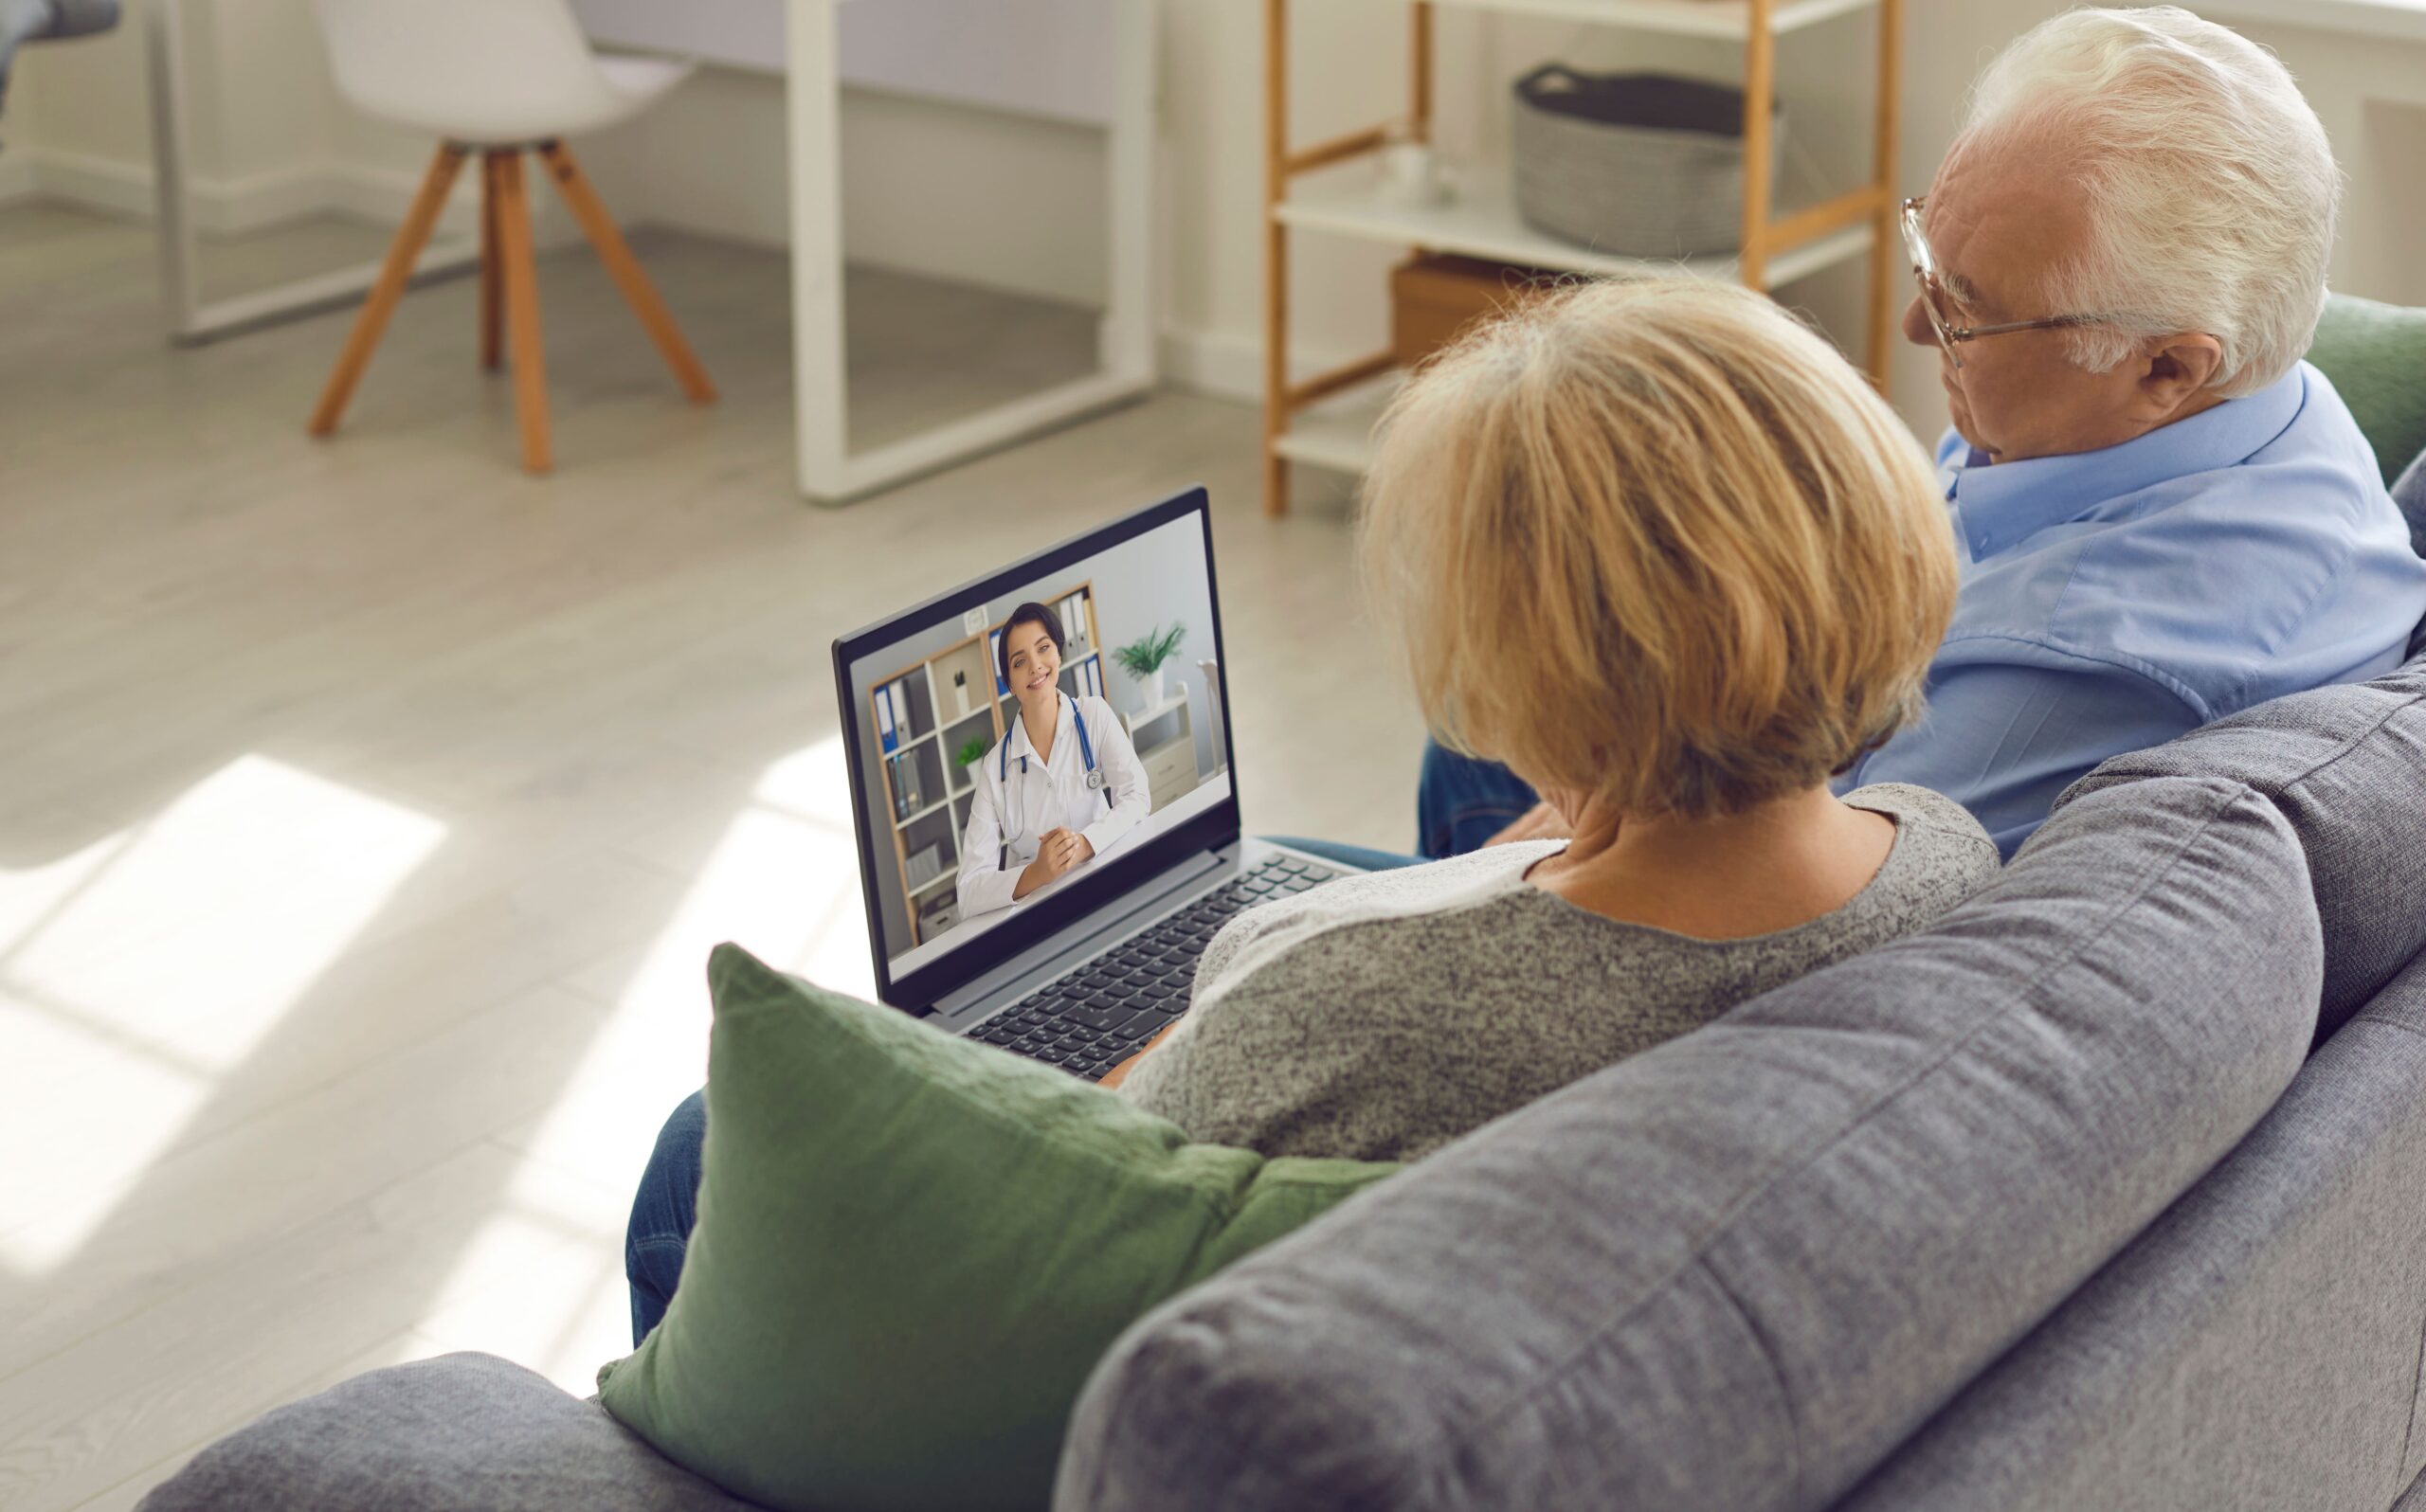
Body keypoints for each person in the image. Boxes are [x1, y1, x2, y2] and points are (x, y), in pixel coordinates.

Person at [625, 277, 2003, 1341]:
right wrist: (1576, 833)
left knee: (704, 1145)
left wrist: (1200, 1016)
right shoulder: (1947, 854)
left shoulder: (1350, 1009)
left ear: (1534, 681)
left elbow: (1104, 1169)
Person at [1418, 5, 2426, 862]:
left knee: (1476, 733)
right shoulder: (2262, 400)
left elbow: (1789, 911)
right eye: (1926, 254)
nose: (1913, 326)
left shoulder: (2062, 669)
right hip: (1854, 722)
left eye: (1965, 310)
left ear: (2166, 366)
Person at [952, 601, 1148, 922]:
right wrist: (1037, 873)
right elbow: (969, 891)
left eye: (1043, 648)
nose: (1035, 666)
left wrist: (1084, 844)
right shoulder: (994, 769)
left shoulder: (1093, 715)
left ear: (1058, 653)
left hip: (1108, 890)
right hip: (1043, 919)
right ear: (1010, 685)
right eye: (1019, 662)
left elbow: (1138, 796)